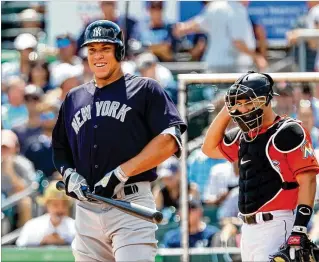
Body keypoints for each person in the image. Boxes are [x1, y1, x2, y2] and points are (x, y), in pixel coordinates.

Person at [52, 20, 187, 262]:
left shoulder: (145, 89)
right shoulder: (74, 98)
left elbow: (170, 141)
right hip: (86, 211)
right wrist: (69, 174)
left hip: (130, 204)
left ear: (120, 51)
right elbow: (60, 149)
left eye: (105, 48)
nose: (98, 56)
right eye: (92, 50)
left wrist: (121, 173)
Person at [202, 71, 319, 261]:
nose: (243, 109)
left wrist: (299, 228)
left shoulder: (288, 131)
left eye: (248, 102)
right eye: (238, 104)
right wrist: (227, 109)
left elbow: (308, 180)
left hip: (277, 223)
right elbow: (209, 148)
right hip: (247, 228)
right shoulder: (243, 136)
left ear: (265, 99)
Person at [173, 1, 267, 73]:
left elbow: (195, 25)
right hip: (234, 69)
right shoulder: (237, 10)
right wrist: (257, 57)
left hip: (212, 66)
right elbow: (238, 42)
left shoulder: (215, 7)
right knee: (232, 98)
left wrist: (181, 28)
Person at [16, 180, 75, 247]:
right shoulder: (32, 226)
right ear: (47, 205)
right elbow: (20, 249)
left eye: (64, 205)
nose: (60, 209)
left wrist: (64, 243)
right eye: (55, 205)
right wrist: (41, 242)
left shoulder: (75, 227)